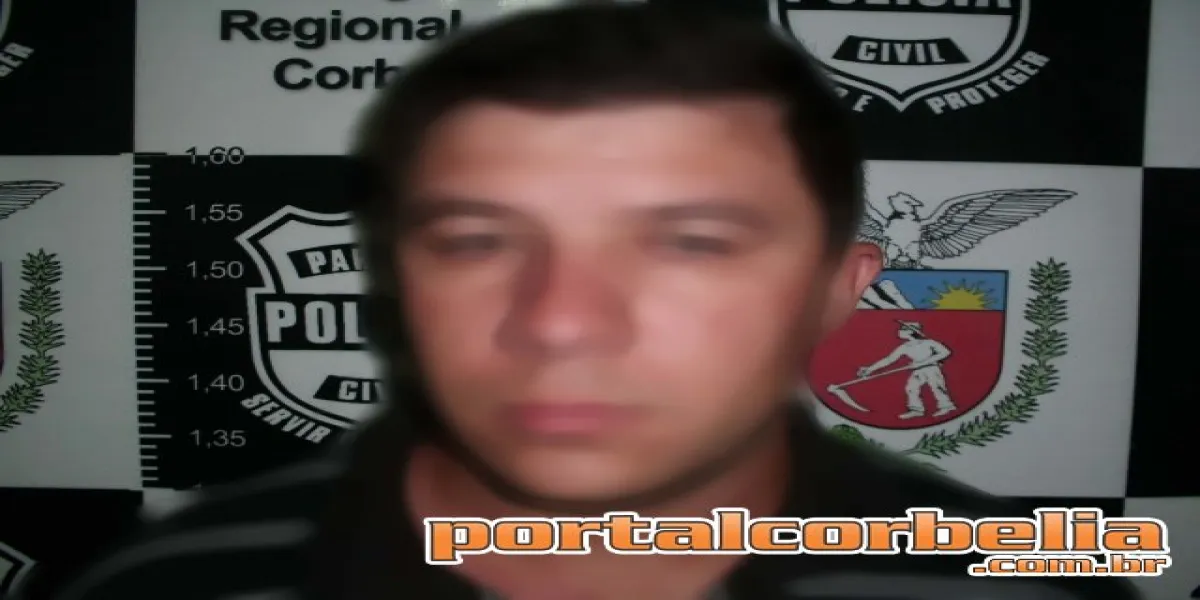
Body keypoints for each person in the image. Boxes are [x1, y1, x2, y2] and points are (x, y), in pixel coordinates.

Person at [39, 3, 1140, 599]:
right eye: (475, 242)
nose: (560, 322)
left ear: (838, 295)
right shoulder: (163, 589)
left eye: (693, 243)